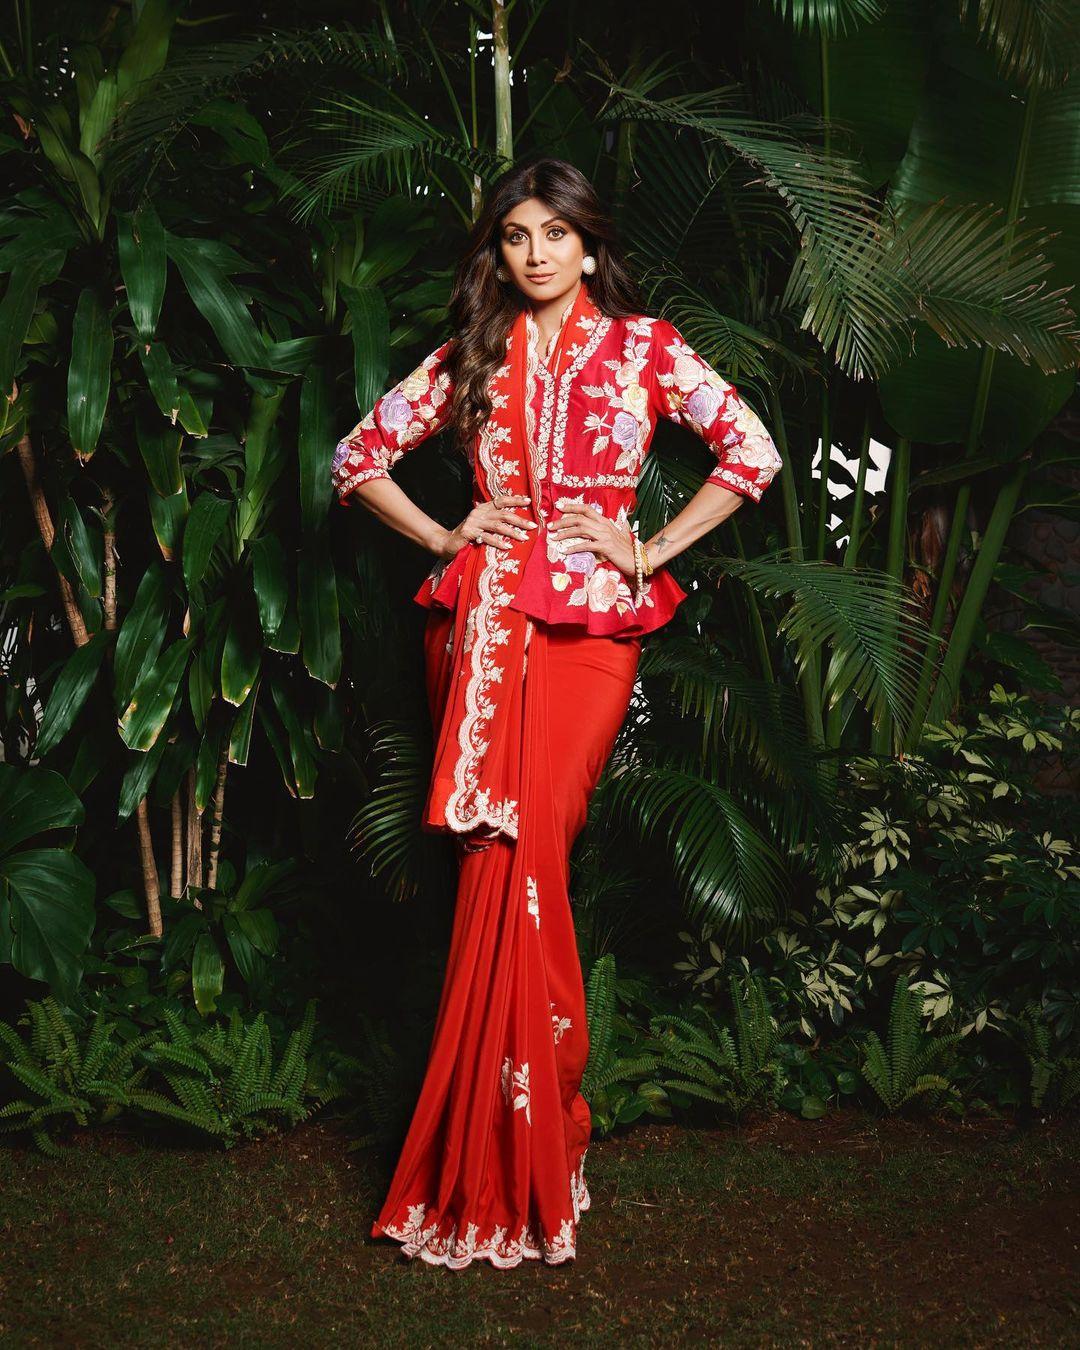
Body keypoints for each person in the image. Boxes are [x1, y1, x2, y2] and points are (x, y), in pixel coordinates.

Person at [331, 156, 783, 1270]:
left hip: (587, 637)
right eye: (514, 236)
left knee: (534, 852)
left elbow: (752, 451)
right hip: (481, 626)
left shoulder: (646, 349)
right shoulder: (472, 354)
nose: (533, 254)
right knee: (496, 865)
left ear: (590, 243)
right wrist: (443, 535)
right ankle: (490, 1155)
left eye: (554, 234)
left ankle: (542, 1129)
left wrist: (649, 547)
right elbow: (357, 454)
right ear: (499, 251)